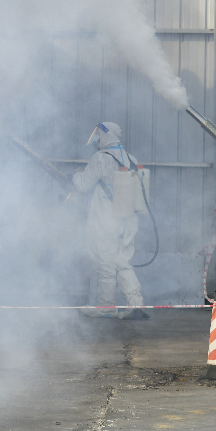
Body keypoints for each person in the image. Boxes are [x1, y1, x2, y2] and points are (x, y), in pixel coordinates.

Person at [72, 122, 148, 320]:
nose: (97, 138)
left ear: (107, 136)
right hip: (128, 220)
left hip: (105, 219)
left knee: (104, 263)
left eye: (98, 134)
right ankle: (136, 304)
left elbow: (84, 185)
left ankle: (106, 307)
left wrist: (76, 175)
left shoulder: (100, 158)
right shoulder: (131, 158)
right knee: (123, 262)